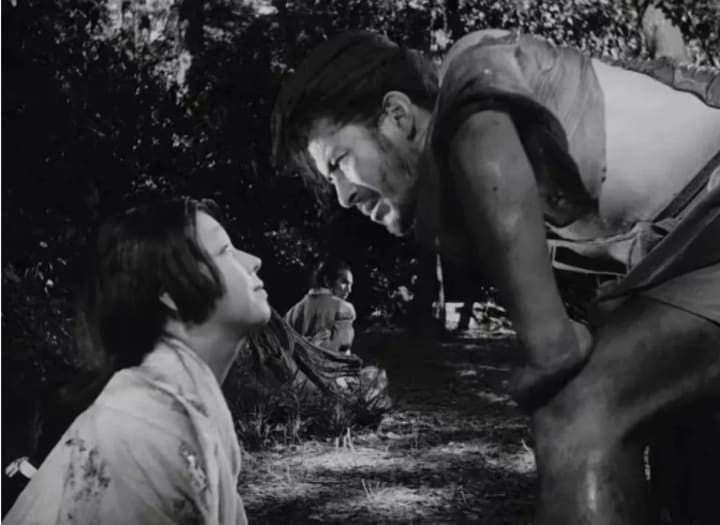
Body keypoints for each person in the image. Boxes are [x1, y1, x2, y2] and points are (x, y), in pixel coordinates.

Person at [271, 29, 720, 524]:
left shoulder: (473, 70)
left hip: (707, 226)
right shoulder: (463, 206)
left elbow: (484, 143)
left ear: (397, 115)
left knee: (579, 420)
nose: (341, 196)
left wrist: (551, 344)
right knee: (687, 476)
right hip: (687, 260)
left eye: (339, 162)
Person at [4, 197, 270, 524]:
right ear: (170, 292)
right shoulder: (145, 430)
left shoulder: (180, 403)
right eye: (226, 250)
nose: (254, 261)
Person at [285, 260, 356, 353]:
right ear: (327, 281)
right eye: (344, 282)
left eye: (350, 285)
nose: (349, 290)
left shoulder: (292, 312)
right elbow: (341, 349)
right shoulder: (344, 309)